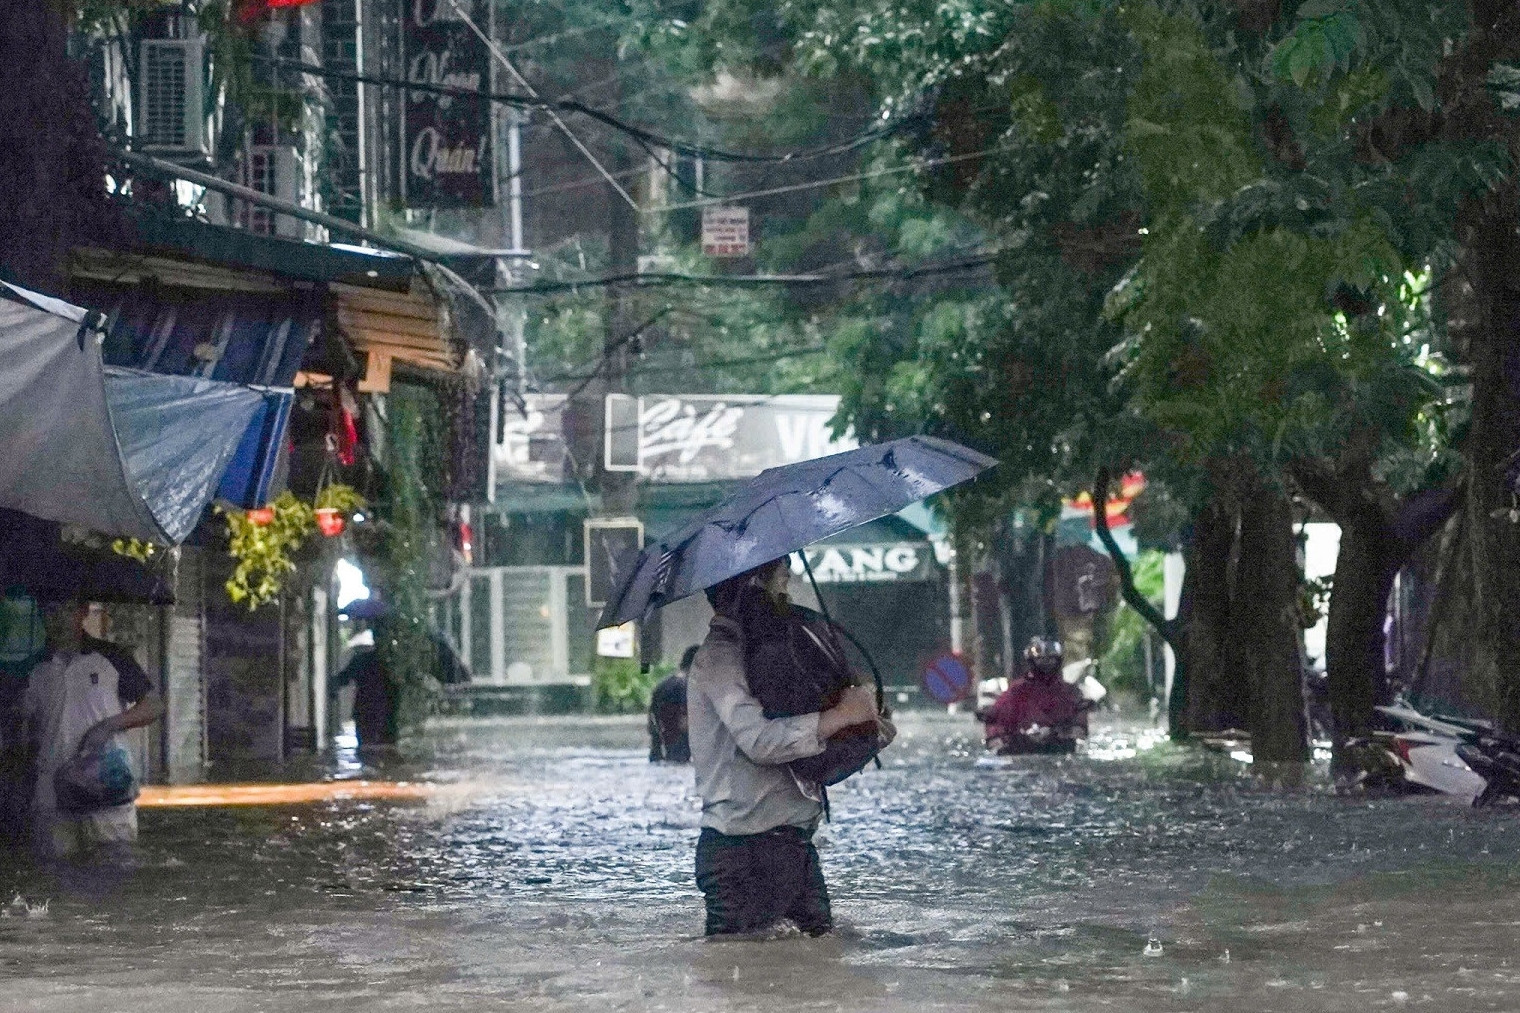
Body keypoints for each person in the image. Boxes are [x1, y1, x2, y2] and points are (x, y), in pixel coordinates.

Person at [688, 557, 888, 937]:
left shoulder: (773, 655)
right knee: (740, 980)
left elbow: (807, 763)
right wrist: (841, 716)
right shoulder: (721, 658)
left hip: (793, 846)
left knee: (821, 967)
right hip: (744, 854)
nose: (788, 587)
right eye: (780, 578)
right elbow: (760, 742)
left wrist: (864, 728)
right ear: (752, 586)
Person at [22, 599, 163, 860]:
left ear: (83, 612)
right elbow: (22, 729)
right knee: (56, 878)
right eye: (50, 610)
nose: (58, 618)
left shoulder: (112, 656)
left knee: (115, 869)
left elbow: (153, 706)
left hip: (106, 787)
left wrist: (108, 725)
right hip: (52, 794)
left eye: (66, 609)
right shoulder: (32, 668)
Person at [981, 636, 1091, 755]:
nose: (1046, 663)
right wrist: (998, 739)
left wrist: (1058, 733)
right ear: (1032, 661)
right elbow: (995, 721)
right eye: (1041, 659)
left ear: (1058, 660)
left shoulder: (1070, 692)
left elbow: (1079, 726)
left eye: (1050, 659)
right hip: (1021, 748)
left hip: (1059, 747)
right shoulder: (1016, 691)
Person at [649, 645, 697, 763]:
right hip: (680, 757)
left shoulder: (661, 686)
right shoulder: (687, 687)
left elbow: (651, 723)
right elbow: (684, 722)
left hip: (658, 756)